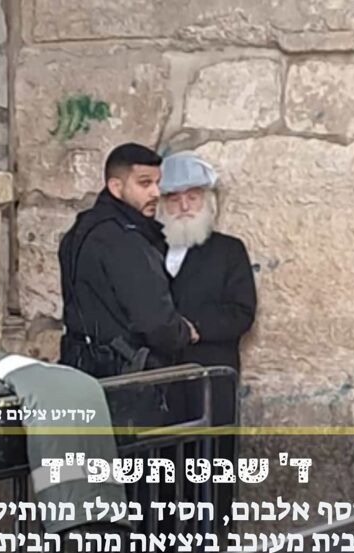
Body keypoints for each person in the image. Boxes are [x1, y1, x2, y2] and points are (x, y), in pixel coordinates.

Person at [58, 143, 198, 426]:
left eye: (157, 183)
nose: (155, 193)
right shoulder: (124, 240)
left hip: (82, 371)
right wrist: (184, 332)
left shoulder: (83, 229)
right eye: (144, 183)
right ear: (116, 187)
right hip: (125, 380)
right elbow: (155, 321)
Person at [157, 151, 257, 425]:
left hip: (209, 378)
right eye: (174, 199)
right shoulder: (147, 249)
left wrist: (195, 328)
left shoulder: (229, 250)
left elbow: (242, 312)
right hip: (158, 378)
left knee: (211, 447)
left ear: (207, 202)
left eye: (193, 198)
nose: (184, 206)